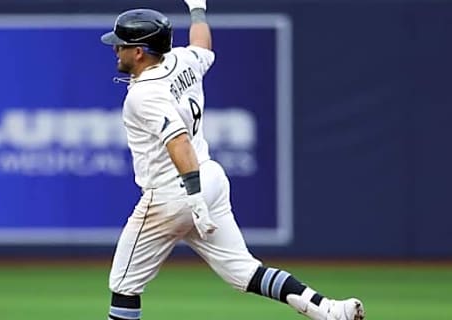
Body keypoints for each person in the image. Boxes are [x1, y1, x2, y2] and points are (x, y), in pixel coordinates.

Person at [99, 1, 365, 320]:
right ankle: (330, 310)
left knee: (124, 284)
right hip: (209, 178)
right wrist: (198, 9)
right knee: (245, 271)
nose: (116, 50)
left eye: (122, 45)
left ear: (140, 52)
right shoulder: (183, 59)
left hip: (174, 193)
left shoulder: (143, 95)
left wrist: (193, 196)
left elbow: (178, 140)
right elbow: (203, 44)